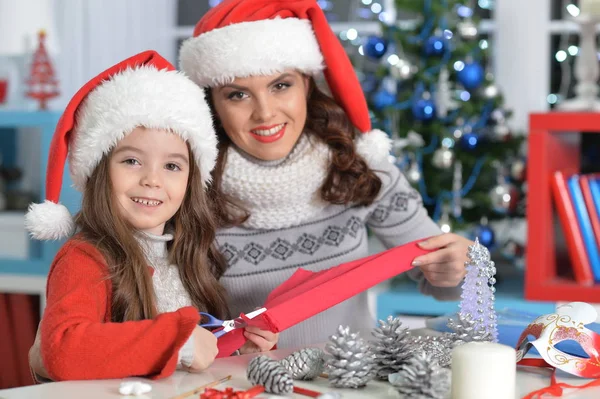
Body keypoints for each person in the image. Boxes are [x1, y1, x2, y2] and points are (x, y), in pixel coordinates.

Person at [178, 0, 475, 348]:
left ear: (306, 84)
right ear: (213, 103)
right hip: (242, 382)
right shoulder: (187, 190)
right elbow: (171, 320)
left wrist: (461, 269)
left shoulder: (359, 167)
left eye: (280, 85)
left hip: (352, 382)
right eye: (238, 94)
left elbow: (439, 281)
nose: (265, 113)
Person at [25, 51, 277, 382]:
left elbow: (192, 362)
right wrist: (179, 342)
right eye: (132, 161)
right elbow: (62, 351)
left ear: (190, 181)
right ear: (99, 171)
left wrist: (233, 347)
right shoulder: (85, 257)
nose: (153, 180)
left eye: (172, 166)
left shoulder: (187, 256)